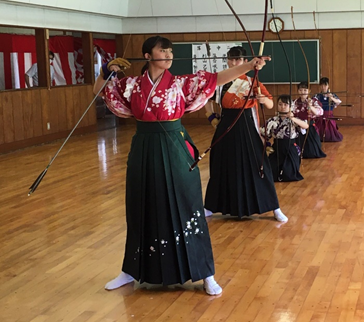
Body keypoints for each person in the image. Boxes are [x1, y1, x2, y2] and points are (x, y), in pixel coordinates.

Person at [93, 35, 270, 295]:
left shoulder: (180, 83)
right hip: (144, 147)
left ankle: (205, 273)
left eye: (170, 51)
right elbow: (99, 90)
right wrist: (106, 71)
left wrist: (249, 65)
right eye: (162, 50)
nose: (168, 54)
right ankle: (130, 270)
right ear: (147, 55)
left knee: (187, 206)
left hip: (174, 146)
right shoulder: (131, 84)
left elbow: (218, 77)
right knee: (141, 205)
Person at [203, 46, 288, 222]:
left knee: (259, 164)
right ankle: (210, 206)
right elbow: (207, 100)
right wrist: (212, 117)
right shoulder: (220, 82)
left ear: (244, 62)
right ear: (227, 60)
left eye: (239, 60)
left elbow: (270, 104)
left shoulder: (252, 81)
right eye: (232, 60)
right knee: (220, 163)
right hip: (226, 124)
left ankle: (274, 206)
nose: (235, 63)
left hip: (248, 125)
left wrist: (262, 99)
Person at [263, 94, 309, 182]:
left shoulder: (295, 119)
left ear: (290, 106)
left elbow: (305, 126)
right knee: (272, 174)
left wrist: (292, 118)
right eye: (280, 104)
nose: (283, 107)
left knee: (289, 174)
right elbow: (264, 135)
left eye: (286, 104)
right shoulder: (272, 120)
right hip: (276, 148)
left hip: (291, 148)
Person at [292, 82, 326, 158]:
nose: (303, 92)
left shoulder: (313, 101)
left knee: (312, 152)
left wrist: (310, 106)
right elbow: (291, 112)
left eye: (305, 90)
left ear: (309, 91)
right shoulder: (295, 102)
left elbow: (319, 112)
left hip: (309, 127)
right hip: (298, 128)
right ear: (298, 91)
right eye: (300, 90)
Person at [313, 77, 343, 142]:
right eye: (321, 85)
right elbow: (313, 103)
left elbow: (338, 102)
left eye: (325, 85)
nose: (323, 87)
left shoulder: (332, 95)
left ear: (328, 86)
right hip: (320, 116)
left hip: (329, 115)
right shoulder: (317, 96)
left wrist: (331, 97)